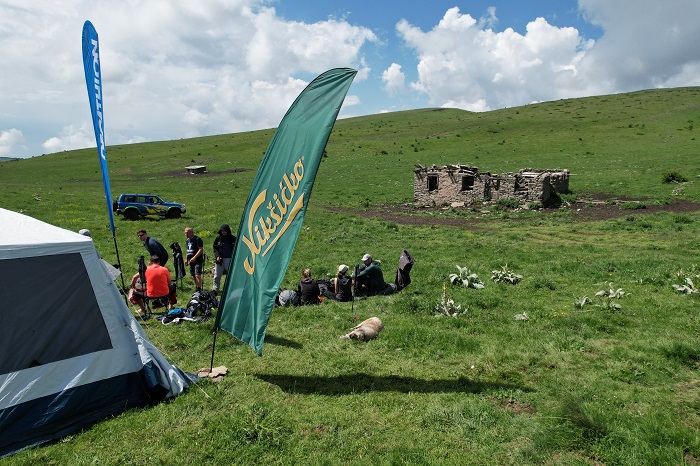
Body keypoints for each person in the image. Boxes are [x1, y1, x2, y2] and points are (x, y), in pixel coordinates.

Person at [212, 224, 236, 294]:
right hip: (220, 260)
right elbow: (215, 248)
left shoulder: (233, 239)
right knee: (217, 276)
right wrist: (217, 256)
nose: (223, 232)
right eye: (222, 231)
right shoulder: (218, 238)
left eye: (224, 231)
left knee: (231, 275)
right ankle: (215, 290)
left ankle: (232, 289)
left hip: (229, 259)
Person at [184, 227, 204, 291]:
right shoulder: (187, 240)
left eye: (187, 233)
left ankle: (199, 289)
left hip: (198, 260)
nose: (186, 235)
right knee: (193, 275)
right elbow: (187, 250)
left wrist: (195, 257)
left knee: (197, 274)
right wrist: (186, 259)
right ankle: (197, 286)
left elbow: (200, 249)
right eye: (185, 233)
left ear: (192, 232)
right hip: (191, 260)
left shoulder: (197, 239)